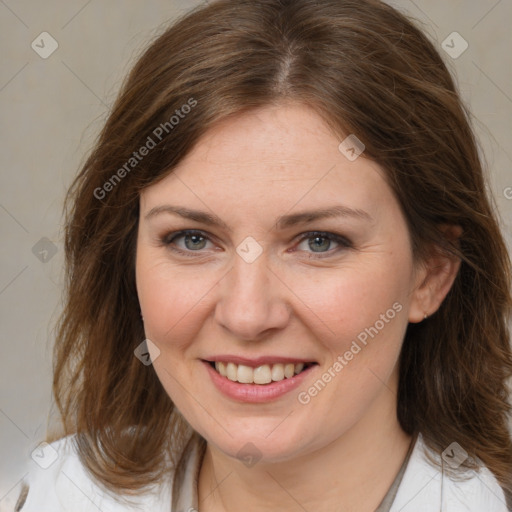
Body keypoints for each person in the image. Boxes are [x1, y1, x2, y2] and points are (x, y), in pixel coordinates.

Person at [15, 0, 512, 510]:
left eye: (320, 241)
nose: (247, 315)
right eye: (192, 239)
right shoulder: (58, 494)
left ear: (430, 272)